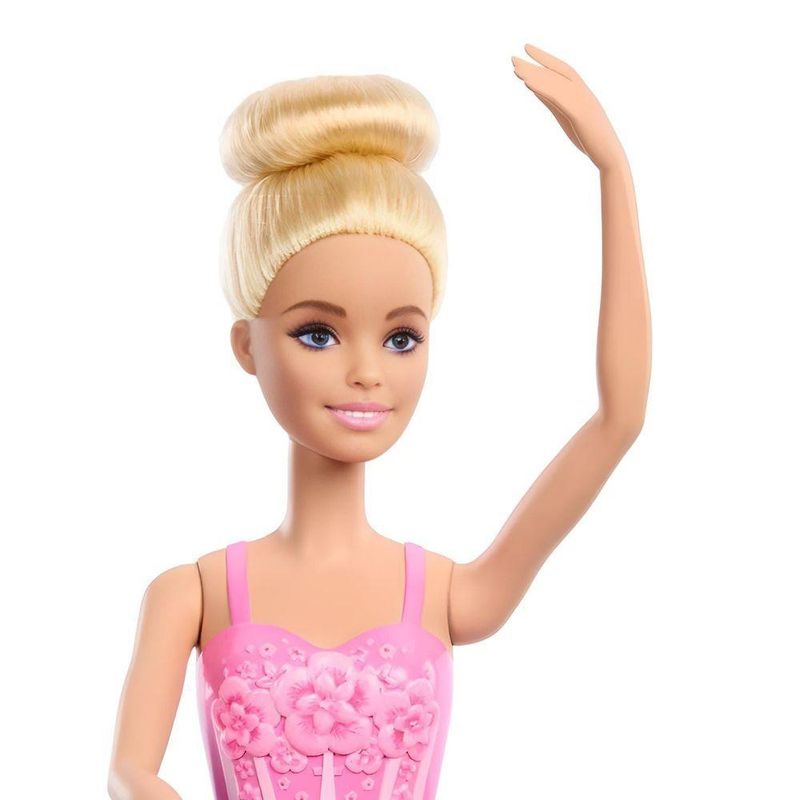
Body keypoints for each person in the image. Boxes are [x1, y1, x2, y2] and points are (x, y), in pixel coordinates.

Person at [108, 42, 651, 800]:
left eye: (401, 338)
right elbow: (130, 772)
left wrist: (613, 173)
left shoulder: (446, 595)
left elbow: (619, 418)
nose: (367, 372)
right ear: (247, 346)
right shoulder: (192, 595)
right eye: (317, 334)